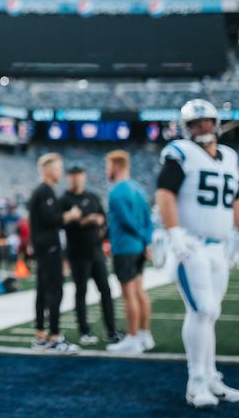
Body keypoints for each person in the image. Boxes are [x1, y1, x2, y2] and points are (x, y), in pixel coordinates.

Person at [157, 99, 239, 409]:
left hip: (219, 248)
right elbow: (164, 192)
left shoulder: (230, 158)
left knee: (211, 314)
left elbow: (236, 202)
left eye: (206, 121)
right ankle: (196, 382)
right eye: (195, 123)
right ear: (186, 128)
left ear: (216, 123)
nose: (201, 127)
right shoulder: (180, 153)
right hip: (190, 244)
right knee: (202, 310)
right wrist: (173, 231)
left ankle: (211, 377)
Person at [59, 166, 120, 345]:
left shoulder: (92, 197)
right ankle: (85, 331)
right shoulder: (64, 199)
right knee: (81, 292)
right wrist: (86, 221)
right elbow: (62, 224)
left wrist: (98, 221)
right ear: (69, 178)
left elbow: (103, 218)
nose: (76, 179)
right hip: (77, 253)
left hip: (96, 251)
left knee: (106, 291)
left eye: (79, 175)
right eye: (73, 176)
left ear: (84, 177)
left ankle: (111, 329)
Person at [104, 150, 156, 354]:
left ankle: (133, 338)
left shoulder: (117, 191)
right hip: (139, 247)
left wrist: (141, 238)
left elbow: (127, 221)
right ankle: (145, 335)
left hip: (125, 247)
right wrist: (146, 242)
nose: (107, 170)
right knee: (140, 291)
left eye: (108, 165)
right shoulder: (138, 189)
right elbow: (147, 219)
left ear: (117, 165)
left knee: (129, 295)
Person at [29, 153, 81, 354]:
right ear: (48, 169)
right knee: (54, 291)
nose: (60, 171)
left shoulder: (44, 191)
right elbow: (51, 219)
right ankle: (55, 337)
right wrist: (71, 215)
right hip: (48, 248)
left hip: (44, 248)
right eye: (58, 167)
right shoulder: (45, 191)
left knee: (42, 292)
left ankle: (41, 336)